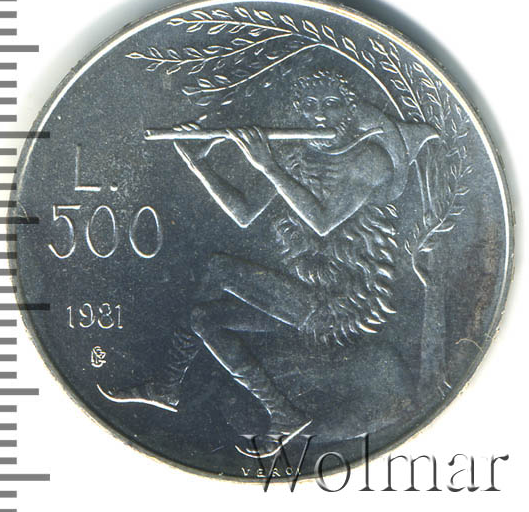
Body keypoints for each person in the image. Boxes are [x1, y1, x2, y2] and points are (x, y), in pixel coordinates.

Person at [99, 70, 438, 455]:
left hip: (341, 302)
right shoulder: (296, 155)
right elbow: (244, 213)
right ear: (299, 113)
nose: (320, 116)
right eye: (310, 107)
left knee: (218, 275)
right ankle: (270, 409)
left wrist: (267, 166)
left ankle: (175, 386)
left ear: (349, 111)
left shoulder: (369, 159)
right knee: (203, 317)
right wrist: (199, 165)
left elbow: (323, 223)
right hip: (303, 295)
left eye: (331, 105)